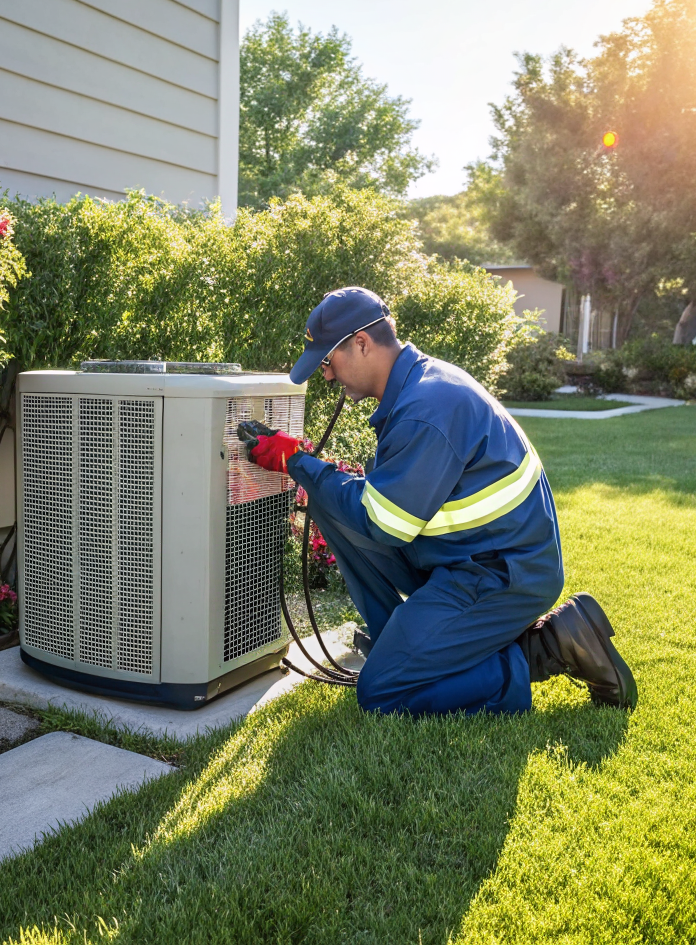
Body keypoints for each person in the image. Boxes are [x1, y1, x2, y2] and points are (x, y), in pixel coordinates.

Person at [242, 287, 637, 716]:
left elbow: (386, 524)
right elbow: (381, 506)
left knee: (382, 693)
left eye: (327, 361)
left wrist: (298, 462)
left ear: (361, 343)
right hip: (470, 556)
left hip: (502, 575)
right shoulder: (419, 383)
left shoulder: (424, 409)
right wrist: (307, 472)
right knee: (328, 502)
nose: (328, 376)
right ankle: (403, 644)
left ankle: (545, 649)